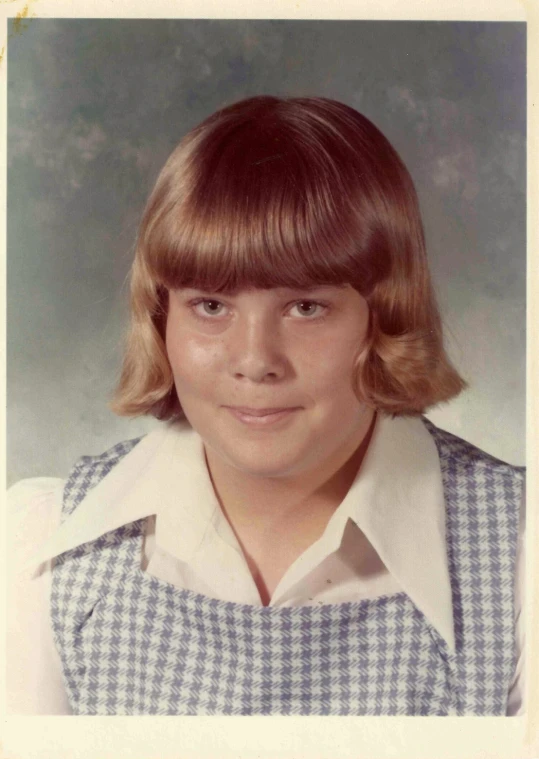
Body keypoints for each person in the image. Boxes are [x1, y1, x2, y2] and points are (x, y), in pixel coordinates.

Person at [7, 95, 525, 716]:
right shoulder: (48, 551)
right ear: (161, 315)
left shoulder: (517, 552)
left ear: (384, 315)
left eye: (306, 307)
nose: (255, 360)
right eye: (211, 306)